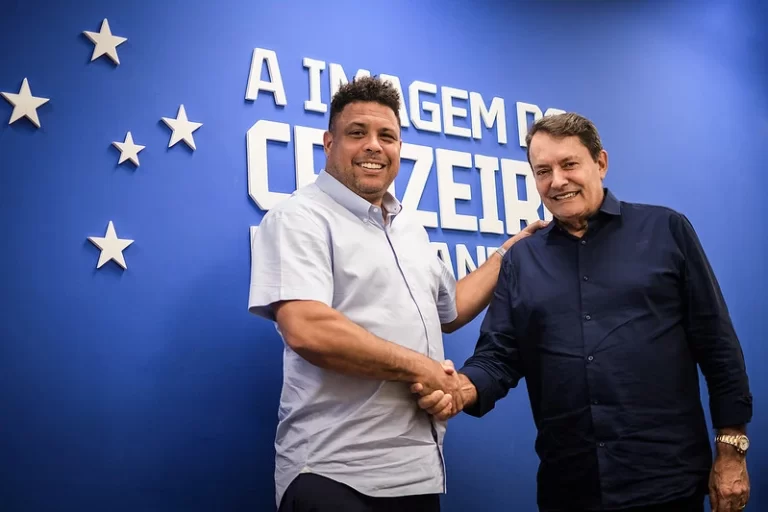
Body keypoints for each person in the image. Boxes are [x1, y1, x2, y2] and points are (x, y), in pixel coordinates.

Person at [412, 113, 753, 512]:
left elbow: (718, 346)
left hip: (667, 483)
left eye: (569, 164)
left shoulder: (666, 230)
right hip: (569, 488)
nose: (557, 181)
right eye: (543, 171)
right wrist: (465, 388)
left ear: (600, 163)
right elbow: (499, 355)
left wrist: (732, 451)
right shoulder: (523, 260)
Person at [247, 75, 546, 512]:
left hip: (415, 475)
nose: (374, 146)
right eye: (357, 133)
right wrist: (420, 367)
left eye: (387, 135)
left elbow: (449, 309)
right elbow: (308, 328)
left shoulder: (409, 227)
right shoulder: (300, 217)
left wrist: (506, 256)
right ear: (328, 143)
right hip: (334, 474)